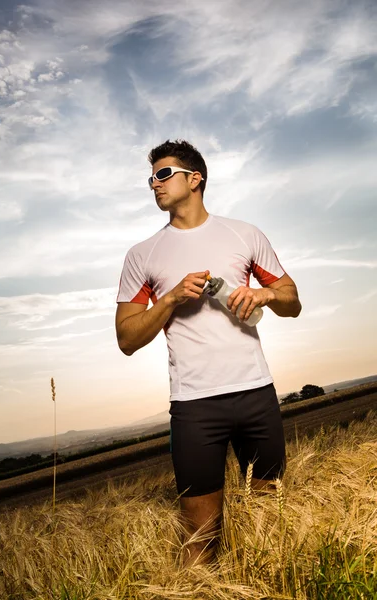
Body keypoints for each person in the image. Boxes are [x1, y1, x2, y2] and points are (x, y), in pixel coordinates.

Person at [115, 139, 302, 567]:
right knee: (200, 541)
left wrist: (265, 295)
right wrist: (170, 299)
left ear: (195, 178)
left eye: (163, 174)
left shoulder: (244, 234)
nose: (154, 184)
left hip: (257, 394)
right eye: (151, 178)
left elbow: (293, 301)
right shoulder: (142, 255)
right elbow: (126, 339)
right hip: (194, 405)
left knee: (270, 526)